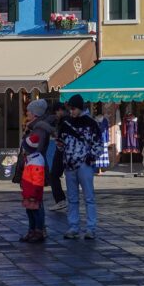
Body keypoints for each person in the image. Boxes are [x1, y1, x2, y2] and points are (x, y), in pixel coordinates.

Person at [58, 94, 101, 239]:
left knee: (89, 197)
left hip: (84, 164)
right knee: (72, 198)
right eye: (70, 109)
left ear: (80, 108)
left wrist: (91, 157)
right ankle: (73, 226)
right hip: (69, 164)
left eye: (74, 109)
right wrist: (60, 147)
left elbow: (98, 143)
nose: (72, 112)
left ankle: (91, 228)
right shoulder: (66, 123)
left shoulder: (91, 123)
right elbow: (61, 142)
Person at [19, 132, 46, 243]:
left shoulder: (36, 161)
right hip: (29, 193)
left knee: (36, 213)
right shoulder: (31, 159)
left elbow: (37, 181)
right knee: (30, 212)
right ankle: (32, 231)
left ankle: (38, 231)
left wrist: (33, 195)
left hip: (33, 194)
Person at [46, 101, 67, 212]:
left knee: (53, 175)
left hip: (62, 150)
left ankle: (60, 200)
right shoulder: (64, 120)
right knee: (55, 175)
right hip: (64, 151)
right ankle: (62, 200)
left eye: (57, 112)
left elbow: (61, 136)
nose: (56, 114)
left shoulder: (64, 121)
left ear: (59, 110)